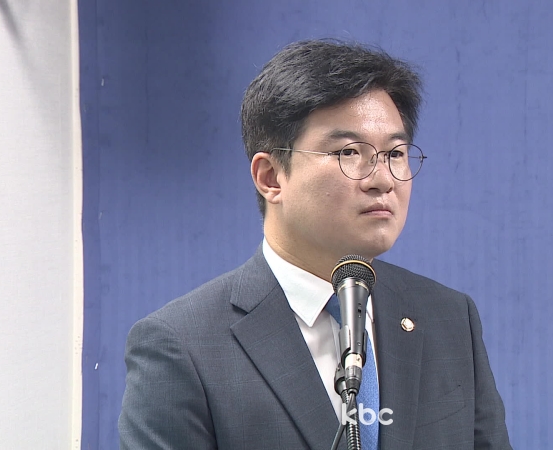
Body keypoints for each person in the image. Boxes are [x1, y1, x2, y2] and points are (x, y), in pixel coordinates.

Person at [119, 39, 513, 449]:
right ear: (271, 177)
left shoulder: (448, 318)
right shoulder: (183, 345)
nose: (383, 179)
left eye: (395, 154)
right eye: (349, 152)